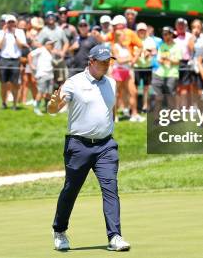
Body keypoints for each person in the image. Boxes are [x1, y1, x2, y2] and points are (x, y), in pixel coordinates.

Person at [48, 44, 131, 252]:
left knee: (110, 188)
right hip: (79, 146)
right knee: (71, 189)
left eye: (108, 61)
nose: (106, 65)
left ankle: (115, 236)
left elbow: (110, 110)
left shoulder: (111, 83)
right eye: (102, 61)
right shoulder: (73, 83)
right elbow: (53, 109)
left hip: (105, 146)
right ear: (91, 61)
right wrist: (52, 104)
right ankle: (59, 230)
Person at [107, 15, 142, 120]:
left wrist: (131, 58)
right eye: (122, 36)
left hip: (127, 70)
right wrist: (129, 58)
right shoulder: (114, 46)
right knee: (116, 94)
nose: (125, 37)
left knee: (133, 92)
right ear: (118, 37)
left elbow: (136, 51)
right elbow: (120, 60)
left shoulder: (126, 46)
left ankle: (134, 114)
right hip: (117, 71)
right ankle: (115, 115)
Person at [0, 14, 28, 110]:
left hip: (15, 60)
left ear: (15, 23)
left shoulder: (20, 32)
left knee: (15, 83)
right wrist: (5, 34)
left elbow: (22, 45)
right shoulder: (1, 32)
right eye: (9, 22)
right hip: (4, 59)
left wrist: (15, 35)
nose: (10, 24)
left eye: (12, 22)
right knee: (3, 83)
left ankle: (14, 104)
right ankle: (3, 102)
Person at [151, 26, 181, 109]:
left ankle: (173, 116)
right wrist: (169, 60)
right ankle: (156, 117)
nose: (164, 36)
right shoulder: (161, 46)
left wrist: (167, 59)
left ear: (171, 35)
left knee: (170, 96)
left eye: (166, 34)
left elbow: (177, 61)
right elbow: (159, 60)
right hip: (159, 74)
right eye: (163, 34)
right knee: (158, 97)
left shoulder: (177, 46)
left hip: (172, 74)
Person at [37, 11, 69, 85]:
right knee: (51, 81)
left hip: (60, 59)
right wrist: (50, 50)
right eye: (48, 17)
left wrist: (63, 52)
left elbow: (66, 42)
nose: (50, 18)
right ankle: (50, 96)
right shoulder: (44, 31)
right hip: (48, 60)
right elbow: (37, 43)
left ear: (55, 18)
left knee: (63, 80)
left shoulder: (60, 30)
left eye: (52, 16)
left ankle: (61, 96)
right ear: (46, 19)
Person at [133, 22, 156, 113]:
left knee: (146, 88)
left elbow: (154, 51)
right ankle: (134, 106)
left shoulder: (150, 39)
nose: (142, 31)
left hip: (147, 66)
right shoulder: (134, 39)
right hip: (137, 66)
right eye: (140, 30)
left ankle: (145, 106)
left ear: (146, 31)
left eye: (143, 30)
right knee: (135, 88)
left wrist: (149, 53)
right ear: (137, 31)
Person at [30, 39, 56, 115]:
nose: (53, 46)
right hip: (42, 74)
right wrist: (31, 65)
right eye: (51, 44)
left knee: (49, 93)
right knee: (41, 92)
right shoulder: (41, 50)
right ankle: (36, 108)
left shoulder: (51, 52)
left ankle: (47, 109)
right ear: (46, 44)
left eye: (53, 44)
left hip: (50, 75)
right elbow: (30, 55)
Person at [174, 17, 193, 107]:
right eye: (179, 25)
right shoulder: (173, 37)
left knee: (185, 86)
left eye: (182, 25)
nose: (181, 27)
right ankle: (178, 107)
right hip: (175, 63)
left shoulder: (189, 36)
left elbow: (192, 49)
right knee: (177, 87)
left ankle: (184, 107)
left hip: (186, 62)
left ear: (186, 26)